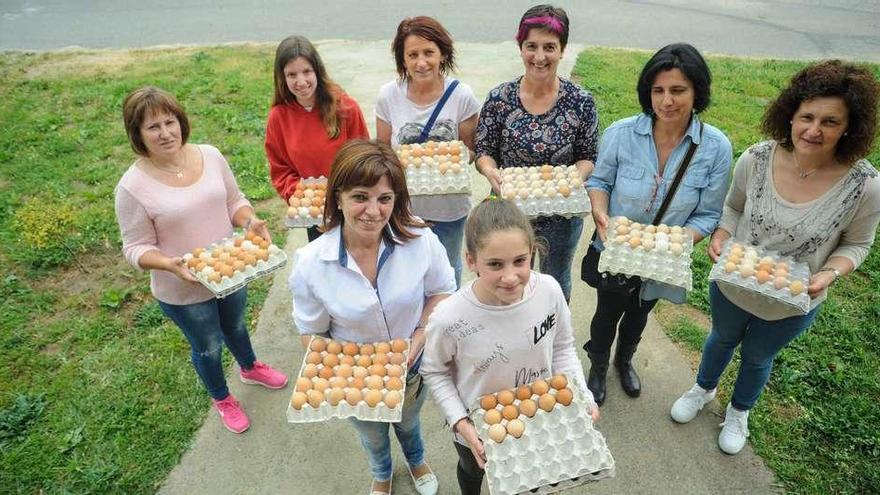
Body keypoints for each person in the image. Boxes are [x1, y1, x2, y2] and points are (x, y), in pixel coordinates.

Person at [670, 60, 880, 455]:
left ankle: (739, 412)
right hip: (735, 282)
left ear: (850, 126)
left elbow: (858, 244)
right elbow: (732, 207)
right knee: (721, 339)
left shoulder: (864, 187)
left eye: (830, 122)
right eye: (807, 117)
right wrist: (722, 233)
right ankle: (703, 389)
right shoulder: (758, 159)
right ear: (790, 115)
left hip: (795, 295)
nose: (814, 130)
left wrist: (830, 274)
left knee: (758, 355)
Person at [114, 86, 288, 434]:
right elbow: (134, 247)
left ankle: (249, 367)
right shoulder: (132, 187)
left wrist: (249, 221)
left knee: (236, 326)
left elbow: (234, 202)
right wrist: (169, 264)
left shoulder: (210, 155)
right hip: (182, 289)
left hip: (229, 272)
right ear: (137, 134)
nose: (165, 133)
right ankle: (222, 398)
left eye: (170, 122)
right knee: (208, 346)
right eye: (153, 127)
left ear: (181, 122)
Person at [289, 140, 454, 495]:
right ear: (338, 197)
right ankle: (381, 472)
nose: (373, 211)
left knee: (409, 421)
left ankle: (415, 459)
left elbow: (443, 291)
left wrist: (421, 333)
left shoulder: (420, 240)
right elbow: (311, 332)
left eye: (385, 198)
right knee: (371, 432)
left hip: (411, 365)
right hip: (356, 377)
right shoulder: (312, 263)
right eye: (360, 196)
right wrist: (346, 372)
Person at [583, 43, 732, 406]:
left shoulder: (714, 148)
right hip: (616, 247)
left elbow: (709, 214)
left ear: (697, 91)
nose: (667, 101)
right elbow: (600, 182)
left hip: (662, 258)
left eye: (678, 90)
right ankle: (599, 365)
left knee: (640, 312)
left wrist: (679, 240)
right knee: (606, 312)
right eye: (658, 90)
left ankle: (625, 358)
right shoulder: (621, 134)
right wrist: (600, 213)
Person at [421, 199, 599, 495]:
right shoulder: (449, 317)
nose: (510, 276)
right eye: (494, 264)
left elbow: (563, 348)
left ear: (532, 253)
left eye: (520, 260)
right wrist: (461, 423)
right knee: (471, 468)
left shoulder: (549, 291)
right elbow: (435, 371)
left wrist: (582, 394)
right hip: (478, 427)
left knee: (529, 471)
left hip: (538, 414)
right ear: (470, 260)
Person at [475, 4, 598, 303]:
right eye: (531, 46)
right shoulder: (500, 98)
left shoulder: (580, 102)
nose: (539, 57)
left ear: (562, 50)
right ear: (521, 47)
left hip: (560, 214)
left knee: (555, 281)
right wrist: (490, 171)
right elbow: (484, 150)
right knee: (506, 280)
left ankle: (553, 338)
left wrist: (568, 181)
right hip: (510, 211)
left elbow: (588, 154)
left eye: (549, 47)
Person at [376, 16, 481, 288]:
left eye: (428, 53)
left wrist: (443, 163)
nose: (421, 62)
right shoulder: (389, 96)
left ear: (442, 53)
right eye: (412, 55)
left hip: (449, 208)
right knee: (406, 273)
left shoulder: (461, 96)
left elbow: (470, 148)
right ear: (403, 59)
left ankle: (448, 326)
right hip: (404, 208)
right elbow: (383, 151)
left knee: (447, 271)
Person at [266, 35, 370, 242]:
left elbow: (364, 158)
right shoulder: (279, 117)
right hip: (315, 214)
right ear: (282, 78)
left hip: (353, 208)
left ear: (317, 71)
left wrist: (348, 200)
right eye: (292, 74)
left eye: (307, 72)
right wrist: (307, 199)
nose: (301, 82)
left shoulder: (346, 108)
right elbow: (281, 169)